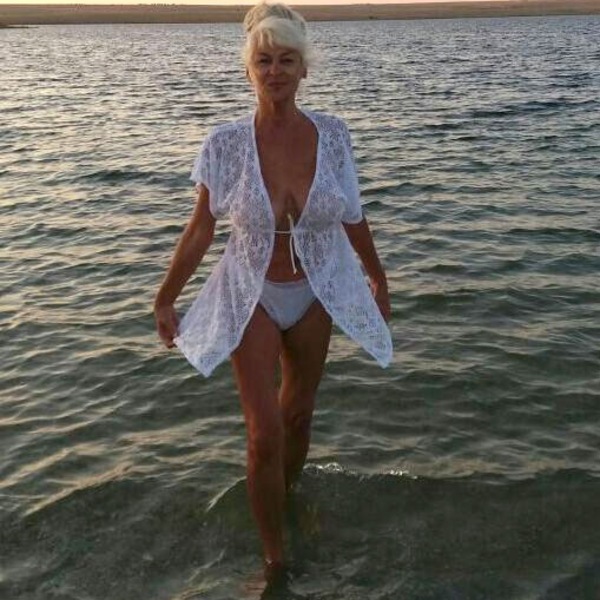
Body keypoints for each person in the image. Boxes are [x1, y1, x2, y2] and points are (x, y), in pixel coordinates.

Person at [154, 1, 392, 585]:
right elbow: (201, 228)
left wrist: (377, 276)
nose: (275, 71)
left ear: (304, 68)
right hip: (252, 290)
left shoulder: (332, 135)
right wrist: (166, 297)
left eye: (287, 59)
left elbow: (353, 214)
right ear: (248, 69)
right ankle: (274, 562)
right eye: (264, 60)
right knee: (264, 434)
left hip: (316, 287)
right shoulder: (226, 143)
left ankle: (283, 499)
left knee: (299, 416)